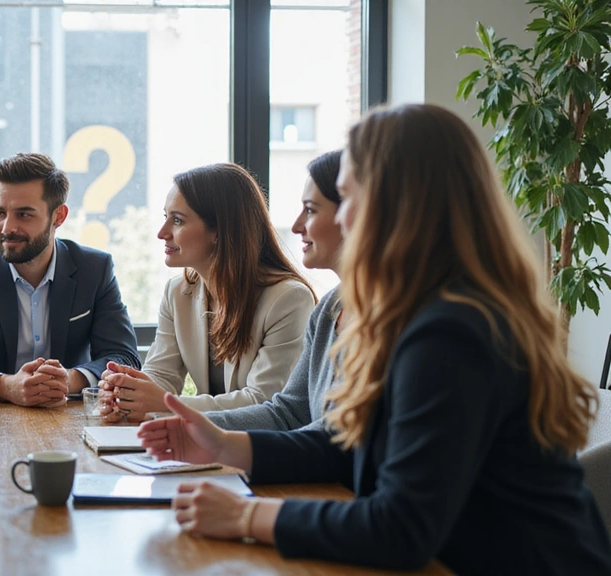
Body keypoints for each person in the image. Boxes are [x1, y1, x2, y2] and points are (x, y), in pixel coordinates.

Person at [137, 104, 611, 573]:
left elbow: (401, 527)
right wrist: (224, 446)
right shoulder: (412, 312)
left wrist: (247, 514)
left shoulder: (451, 332)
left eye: (347, 198)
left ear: (395, 207)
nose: (338, 221)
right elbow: (348, 444)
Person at [99, 163, 315, 421]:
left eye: (177, 220)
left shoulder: (289, 300)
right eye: (165, 217)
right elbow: (162, 375)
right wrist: (127, 391)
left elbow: (263, 402)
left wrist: (166, 403)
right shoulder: (177, 292)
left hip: (260, 451)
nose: (162, 233)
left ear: (219, 231)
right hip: (203, 444)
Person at [0, 152, 141, 407]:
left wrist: (69, 380)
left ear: (59, 217)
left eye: (24, 215)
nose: (7, 227)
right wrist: (7, 385)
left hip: (72, 414)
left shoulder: (94, 269)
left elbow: (123, 357)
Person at [203, 151, 345, 431]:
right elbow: (289, 413)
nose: (296, 226)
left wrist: (214, 439)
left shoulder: (403, 319)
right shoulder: (329, 309)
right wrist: (187, 426)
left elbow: (334, 444)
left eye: (311, 210)